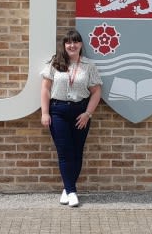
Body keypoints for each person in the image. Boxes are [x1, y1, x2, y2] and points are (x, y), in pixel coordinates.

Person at [40, 29, 102, 207]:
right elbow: (45, 89)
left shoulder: (89, 66)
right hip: (58, 111)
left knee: (76, 152)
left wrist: (87, 114)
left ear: (81, 45)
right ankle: (72, 192)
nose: (72, 45)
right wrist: (45, 113)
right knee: (65, 153)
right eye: (68, 42)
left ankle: (67, 188)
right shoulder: (55, 63)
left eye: (75, 42)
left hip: (80, 112)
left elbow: (96, 91)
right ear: (64, 45)